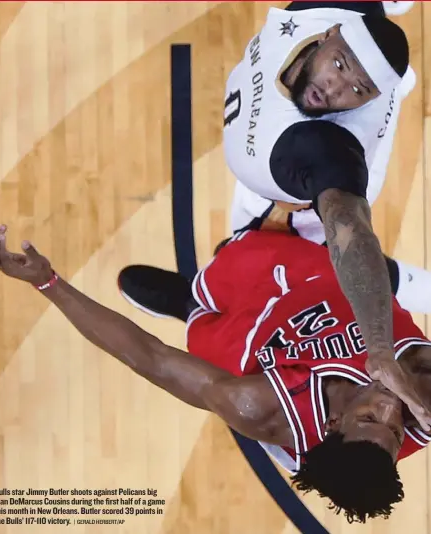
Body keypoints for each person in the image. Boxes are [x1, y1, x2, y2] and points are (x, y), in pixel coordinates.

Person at [0, 225, 431, 523]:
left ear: (335, 424)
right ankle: (203, 283)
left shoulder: (262, 408)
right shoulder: (421, 400)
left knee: (202, 333)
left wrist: (48, 283)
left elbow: (152, 359)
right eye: (395, 432)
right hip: (315, 284)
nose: (392, 410)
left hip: (255, 351)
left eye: (372, 419)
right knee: (248, 248)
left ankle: (187, 306)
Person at [119, 0, 431, 396]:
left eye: (357, 89)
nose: (333, 88)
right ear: (332, 32)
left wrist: (380, 348)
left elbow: (350, 234)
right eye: (338, 65)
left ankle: (194, 302)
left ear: (367, 100)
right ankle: (201, 294)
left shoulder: (320, 147)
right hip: (272, 186)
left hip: (308, 207)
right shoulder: (318, 12)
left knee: (351, 274)